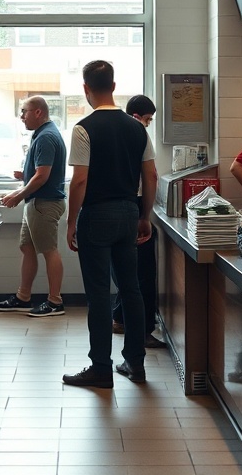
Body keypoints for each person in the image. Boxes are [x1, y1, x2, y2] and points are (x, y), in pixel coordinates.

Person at [63, 61, 158, 388]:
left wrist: (71, 221)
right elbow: (151, 175)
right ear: (114, 87)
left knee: (100, 294)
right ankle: (135, 363)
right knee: (131, 289)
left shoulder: (83, 128)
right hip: (128, 214)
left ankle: (101, 367)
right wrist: (144, 215)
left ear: (86, 89)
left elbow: (79, 182)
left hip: (96, 217)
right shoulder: (138, 128)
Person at [0, 96, 68, 317]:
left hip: (44, 203)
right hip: (36, 202)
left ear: (38, 112)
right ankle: (23, 297)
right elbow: (39, 171)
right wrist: (24, 175)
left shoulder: (46, 137)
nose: (21, 116)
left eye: (24, 111)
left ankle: (55, 301)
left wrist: (18, 194)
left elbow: (42, 177)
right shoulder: (43, 134)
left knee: (49, 250)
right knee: (27, 247)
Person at [110, 94, 165, 349]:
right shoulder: (139, 134)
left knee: (123, 270)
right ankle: (143, 332)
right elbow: (151, 175)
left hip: (111, 211)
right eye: (148, 119)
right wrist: (146, 215)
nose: (148, 124)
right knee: (142, 273)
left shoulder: (108, 132)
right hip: (135, 207)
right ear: (138, 117)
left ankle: (120, 317)